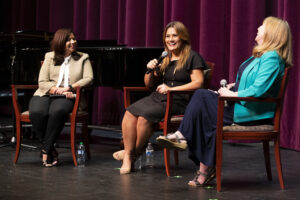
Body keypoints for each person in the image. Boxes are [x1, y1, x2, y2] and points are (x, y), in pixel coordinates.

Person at [156, 16, 292, 186]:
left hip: (251, 114)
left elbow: (259, 89)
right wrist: (232, 87)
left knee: (201, 95)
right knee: (207, 118)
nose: (258, 27)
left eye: (262, 26)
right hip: (243, 107)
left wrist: (232, 94)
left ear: (272, 32)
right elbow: (252, 83)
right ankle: (205, 169)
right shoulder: (261, 56)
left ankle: (182, 136)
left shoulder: (271, 58)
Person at [113, 21, 208, 174]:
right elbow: (149, 85)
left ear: (182, 37)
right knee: (129, 112)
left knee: (144, 117)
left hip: (178, 99)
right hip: (159, 97)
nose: (170, 39)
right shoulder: (165, 57)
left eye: (174, 36)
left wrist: (171, 89)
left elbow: (198, 83)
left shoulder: (192, 56)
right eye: (167, 36)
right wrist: (149, 70)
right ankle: (128, 154)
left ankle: (131, 155)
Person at [29, 28, 93, 167]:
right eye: (69, 40)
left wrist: (69, 87)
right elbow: (42, 82)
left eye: (74, 39)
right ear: (60, 42)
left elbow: (89, 78)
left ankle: (45, 150)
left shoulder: (83, 57)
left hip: (68, 95)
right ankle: (51, 149)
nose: (73, 42)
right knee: (37, 112)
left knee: (57, 111)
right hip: (46, 92)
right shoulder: (49, 56)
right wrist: (57, 90)